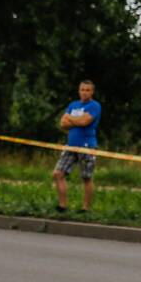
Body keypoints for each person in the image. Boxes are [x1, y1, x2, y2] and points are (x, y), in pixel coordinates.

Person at [53, 80, 101, 213]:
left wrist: (71, 119)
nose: (84, 92)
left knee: (86, 177)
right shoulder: (73, 105)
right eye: (82, 89)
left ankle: (85, 208)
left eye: (87, 90)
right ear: (79, 91)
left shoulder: (94, 106)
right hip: (70, 145)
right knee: (58, 173)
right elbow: (62, 124)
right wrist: (76, 121)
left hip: (87, 146)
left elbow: (85, 122)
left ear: (92, 92)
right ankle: (63, 206)